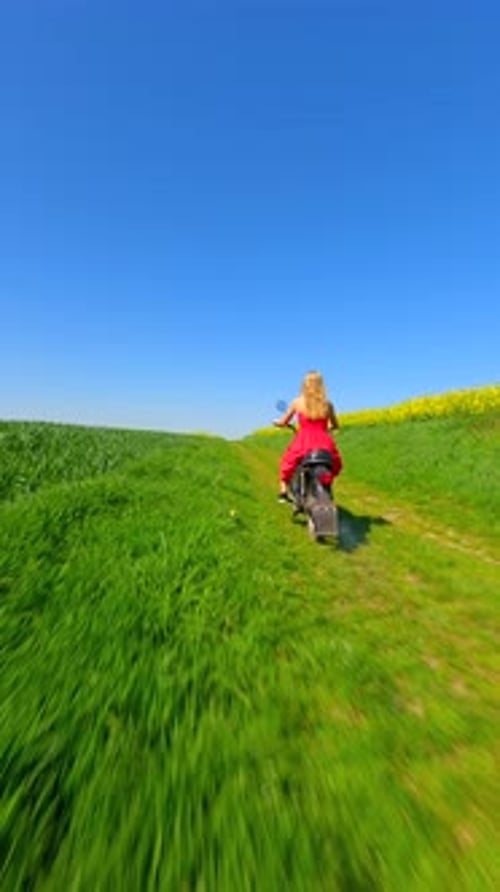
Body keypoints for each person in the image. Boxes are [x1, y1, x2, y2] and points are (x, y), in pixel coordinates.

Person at [273, 370, 343, 502]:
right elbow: (335, 425)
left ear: (304, 385)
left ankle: (283, 491)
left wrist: (278, 423)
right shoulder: (327, 404)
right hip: (324, 443)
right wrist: (325, 428)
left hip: (303, 441)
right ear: (321, 385)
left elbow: (284, 422)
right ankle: (325, 485)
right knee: (333, 463)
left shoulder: (297, 402)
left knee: (287, 463)